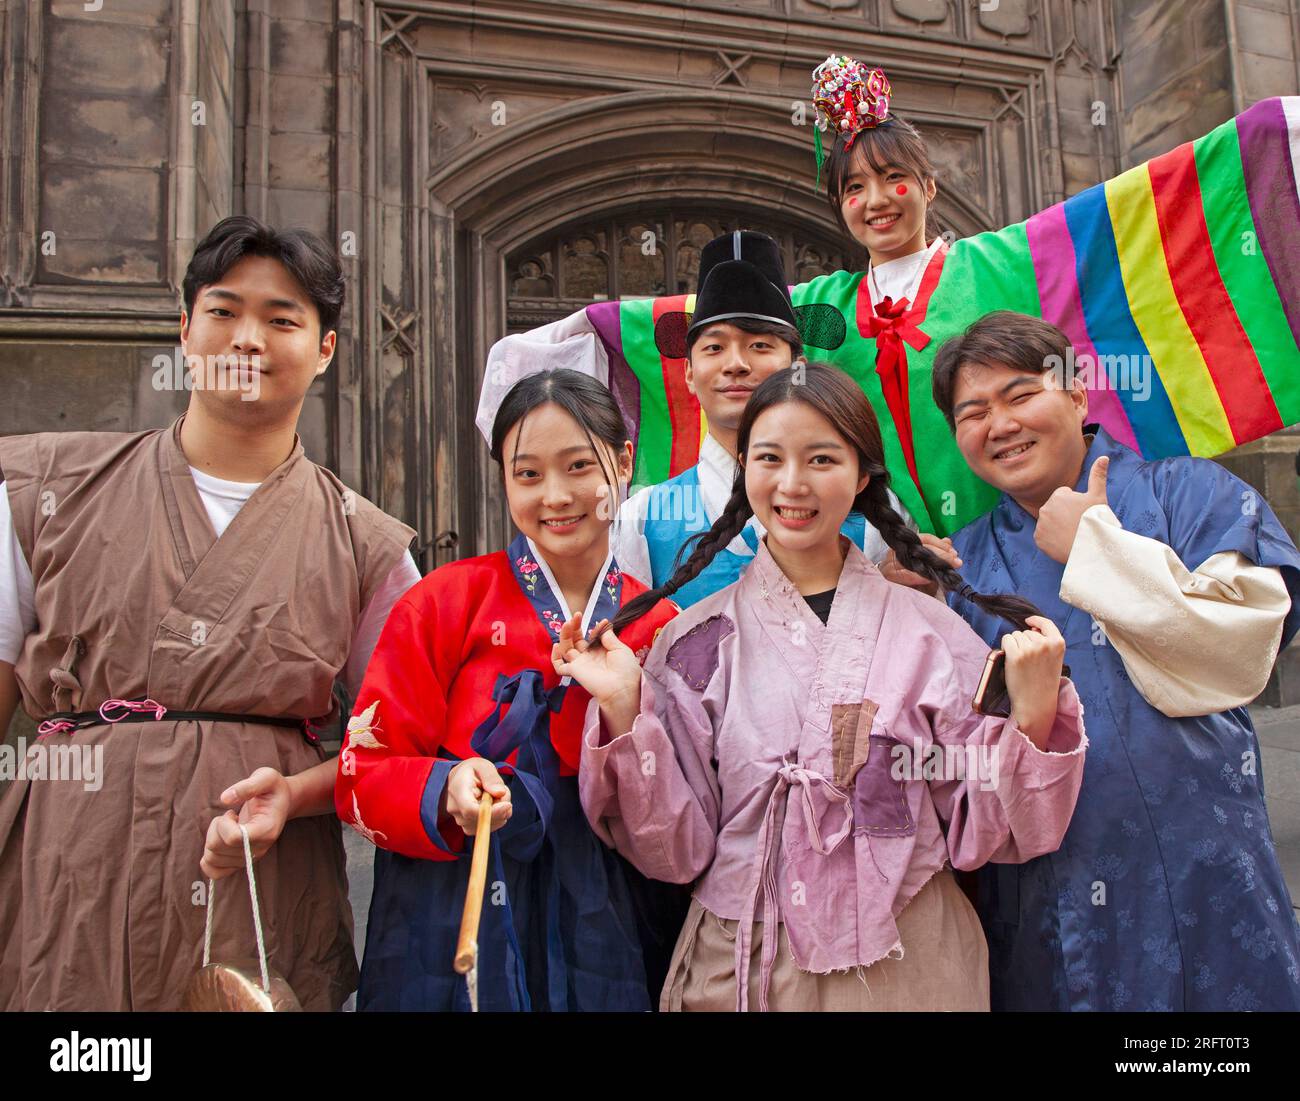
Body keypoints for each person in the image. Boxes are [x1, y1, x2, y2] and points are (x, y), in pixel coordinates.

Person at [555, 362, 1088, 1012]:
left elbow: (992, 831)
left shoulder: (929, 634)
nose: (793, 483)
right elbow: (674, 848)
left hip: (909, 968)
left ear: (862, 475)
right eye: (769, 458)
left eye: (821, 458)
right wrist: (621, 705)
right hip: (745, 968)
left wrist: (1032, 721)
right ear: (744, 470)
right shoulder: (694, 643)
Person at [0, 215, 420, 1010]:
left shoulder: (369, 546)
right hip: (70, 877)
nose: (247, 338)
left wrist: (292, 796)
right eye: (223, 311)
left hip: (263, 890)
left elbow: (394, 747)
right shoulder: (46, 496)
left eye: (282, 318)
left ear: (325, 349)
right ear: (183, 328)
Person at [931, 310, 1300, 1011]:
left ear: (1076, 394)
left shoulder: (1193, 494)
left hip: (1209, 882)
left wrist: (1095, 549)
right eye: (972, 411)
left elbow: (1243, 649)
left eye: (1019, 395)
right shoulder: (962, 564)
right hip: (1048, 910)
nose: (999, 424)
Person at [335, 370, 683, 1011]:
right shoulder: (445, 601)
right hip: (453, 899)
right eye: (527, 474)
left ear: (625, 462)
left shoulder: (661, 626)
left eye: (580, 466)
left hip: (613, 910)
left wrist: (626, 712)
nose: (555, 495)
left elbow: (684, 810)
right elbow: (362, 773)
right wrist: (445, 789)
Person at [611, 230, 910, 606]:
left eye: (760, 345)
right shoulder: (642, 520)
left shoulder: (869, 511)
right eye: (715, 347)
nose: (736, 364)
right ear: (688, 372)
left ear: (797, 366)